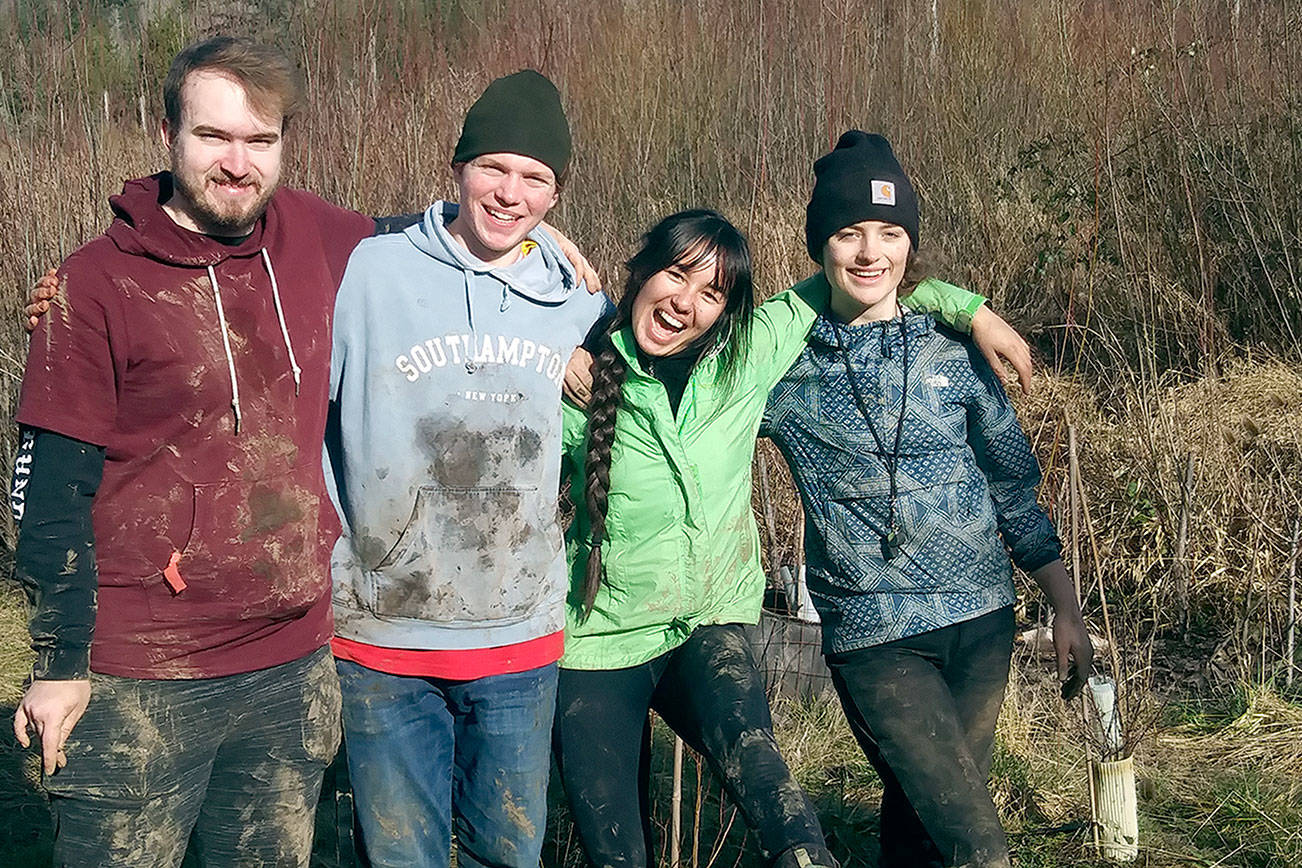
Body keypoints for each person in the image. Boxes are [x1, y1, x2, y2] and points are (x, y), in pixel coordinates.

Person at [10, 38, 598, 867]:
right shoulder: (98, 283)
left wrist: (535, 232)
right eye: (213, 136)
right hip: (139, 673)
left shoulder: (319, 239)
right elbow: (46, 490)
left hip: (290, 663)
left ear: (285, 145)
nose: (237, 162)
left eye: (260, 141)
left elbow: (448, 236)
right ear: (169, 133)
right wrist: (58, 662)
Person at [554, 208, 1015, 868]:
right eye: (676, 274)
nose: (685, 302)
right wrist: (552, 338)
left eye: (711, 293)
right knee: (616, 850)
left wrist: (972, 311)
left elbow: (855, 277)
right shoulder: (584, 379)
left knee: (781, 808)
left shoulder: (747, 358)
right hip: (598, 645)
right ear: (642, 270)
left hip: (708, 625)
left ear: (728, 311)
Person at [760, 131, 1094, 868]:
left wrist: (1063, 606)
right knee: (979, 848)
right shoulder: (781, 366)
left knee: (923, 828)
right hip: (875, 637)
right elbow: (684, 378)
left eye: (890, 233)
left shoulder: (953, 346)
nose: (870, 252)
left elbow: (1012, 483)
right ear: (820, 245)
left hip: (982, 625)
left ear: (912, 245)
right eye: (848, 233)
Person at [323, 70, 611, 867]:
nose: (511, 192)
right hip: (383, 637)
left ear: (557, 195)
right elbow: (245, 215)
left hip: (517, 638)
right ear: (458, 168)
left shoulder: (576, 302)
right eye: (494, 167)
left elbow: (689, 339)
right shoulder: (367, 274)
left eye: (536, 178)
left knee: (508, 855)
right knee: (399, 858)